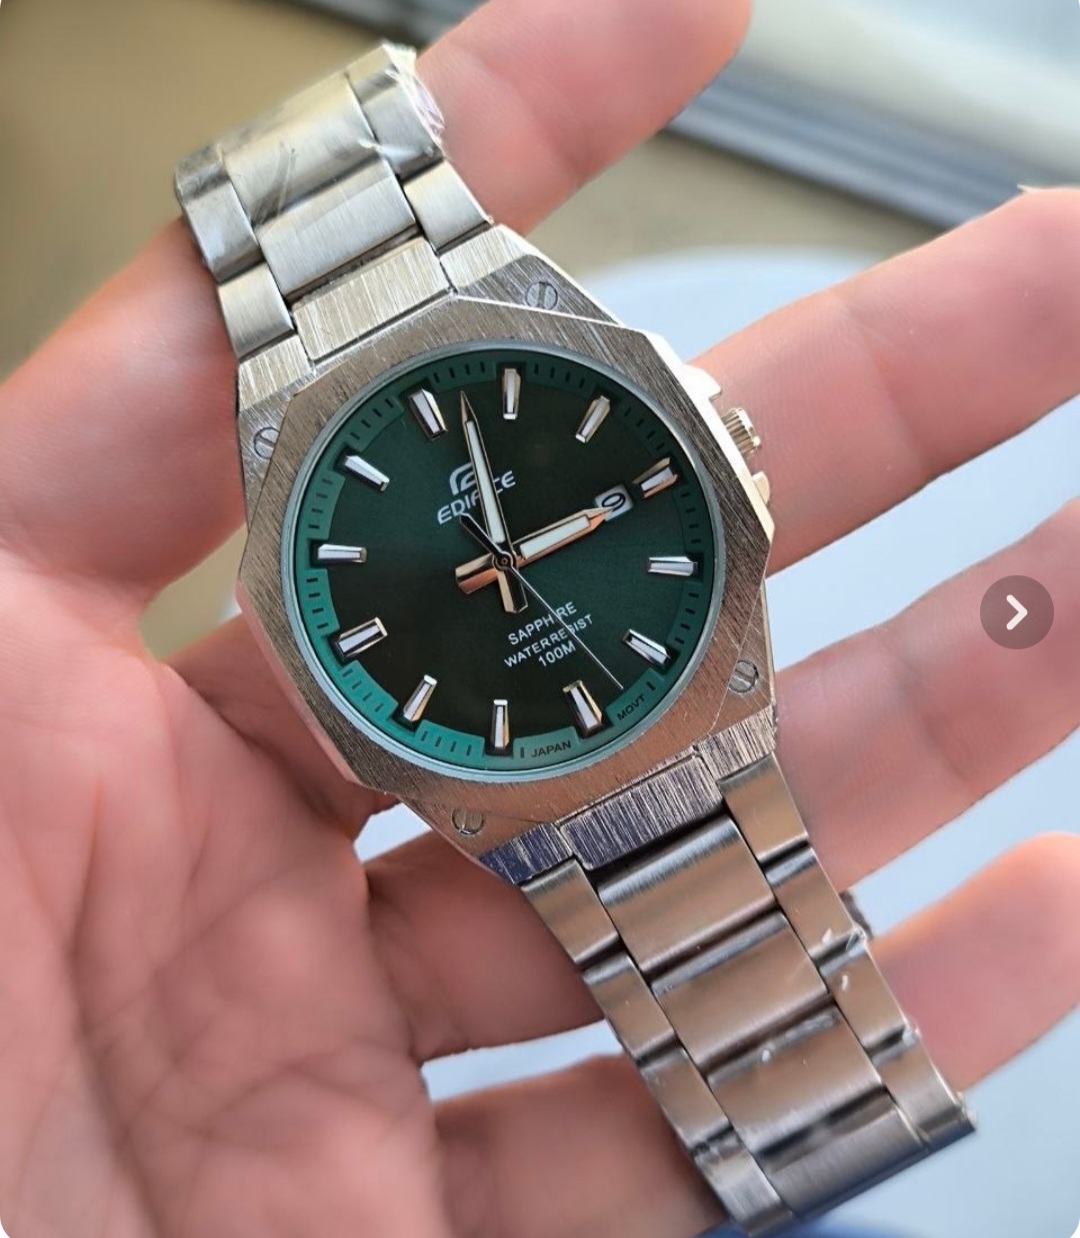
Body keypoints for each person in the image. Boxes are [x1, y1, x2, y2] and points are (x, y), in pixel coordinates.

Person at [0, 0, 1076, 1235]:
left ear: (725, 453)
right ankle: (800, 1142)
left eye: (518, 545)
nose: (504, 560)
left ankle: (803, 1140)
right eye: (493, 557)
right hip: (524, 747)